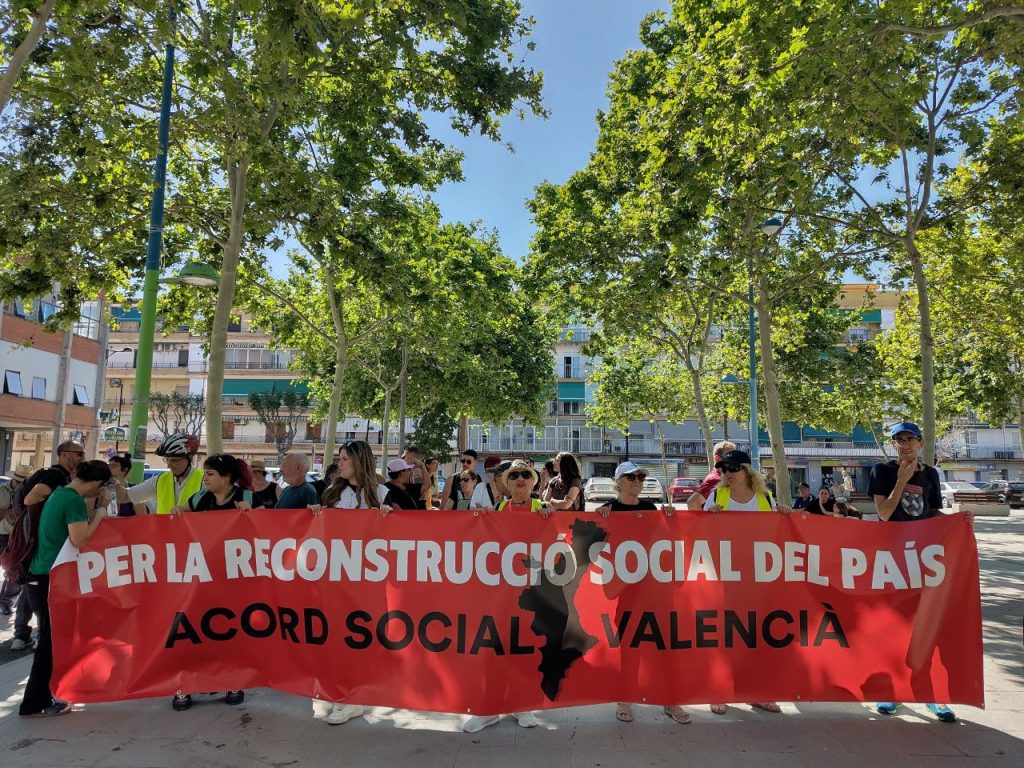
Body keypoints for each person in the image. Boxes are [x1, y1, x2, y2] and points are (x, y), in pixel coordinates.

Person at [869, 421, 960, 723]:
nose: (906, 445)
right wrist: (901, 481)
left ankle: (931, 694)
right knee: (895, 628)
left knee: (926, 629)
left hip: (924, 560)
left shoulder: (931, 474)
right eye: (900, 440)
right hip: (892, 560)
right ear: (893, 444)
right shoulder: (882, 471)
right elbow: (884, 514)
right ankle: (892, 691)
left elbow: (931, 513)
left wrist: (957, 522)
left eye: (911, 439)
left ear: (921, 443)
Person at [597, 462, 691, 726]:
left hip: (657, 591)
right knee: (630, 647)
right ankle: (625, 698)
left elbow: (669, 542)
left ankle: (671, 700)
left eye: (640, 477)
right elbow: (593, 545)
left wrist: (671, 519)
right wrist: (600, 520)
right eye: (631, 477)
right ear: (618, 482)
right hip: (627, 593)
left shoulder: (652, 510)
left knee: (665, 648)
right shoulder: (608, 511)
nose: (637, 481)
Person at [18, 459, 110, 717]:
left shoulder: (59, 494)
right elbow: (80, 539)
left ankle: (38, 699)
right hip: (51, 577)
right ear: (96, 483)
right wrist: (100, 515)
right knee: (49, 643)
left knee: (49, 640)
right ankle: (35, 702)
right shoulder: (73, 501)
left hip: (40, 574)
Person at [703, 449, 788, 716]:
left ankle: (757, 692)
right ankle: (719, 691)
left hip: (758, 577)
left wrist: (785, 515)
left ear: (747, 470)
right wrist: (708, 518)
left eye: (733, 468)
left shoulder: (765, 497)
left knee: (757, 636)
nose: (728, 472)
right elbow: (699, 532)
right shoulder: (717, 495)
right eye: (724, 468)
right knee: (726, 635)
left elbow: (778, 532)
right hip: (726, 576)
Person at [313, 440, 391, 725]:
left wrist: (390, 518)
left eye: (345, 458)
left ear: (359, 461)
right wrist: (314, 515)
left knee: (359, 637)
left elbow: (407, 530)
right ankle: (344, 694)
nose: (340, 463)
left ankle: (352, 696)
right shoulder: (332, 493)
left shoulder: (382, 494)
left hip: (367, 581)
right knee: (337, 636)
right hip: (336, 577)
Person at [462, 459, 544, 733]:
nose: (520, 478)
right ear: (506, 483)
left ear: (532, 482)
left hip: (530, 593)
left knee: (524, 650)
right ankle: (490, 708)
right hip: (499, 593)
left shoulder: (543, 508)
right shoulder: (497, 510)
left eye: (525, 474)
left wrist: (552, 520)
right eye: (514, 475)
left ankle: (523, 706)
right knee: (494, 649)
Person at [168, 453, 252, 711]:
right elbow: (182, 513)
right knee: (193, 630)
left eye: (210, 474)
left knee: (230, 630)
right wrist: (177, 511)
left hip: (233, 580)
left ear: (226, 478)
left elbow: (266, 527)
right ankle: (187, 684)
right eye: (205, 473)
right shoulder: (200, 498)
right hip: (200, 578)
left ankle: (233, 682)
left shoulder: (246, 498)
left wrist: (251, 514)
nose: (205, 478)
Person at [10, 441, 85, 650]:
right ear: (65, 454)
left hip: (37, 540)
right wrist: (46, 517)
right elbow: (30, 499)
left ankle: (23, 634)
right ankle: (30, 635)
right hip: (39, 540)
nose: (82, 457)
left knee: (32, 584)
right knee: (35, 585)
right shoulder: (55, 475)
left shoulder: (59, 476)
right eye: (79, 453)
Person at [116, 433, 203, 515]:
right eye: (167, 460)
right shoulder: (160, 481)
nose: (168, 465)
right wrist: (115, 481)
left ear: (189, 458)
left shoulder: (204, 480)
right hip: (166, 527)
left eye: (174, 460)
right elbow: (124, 497)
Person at [0, 463, 32, 616]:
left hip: (19, 536)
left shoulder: (30, 492)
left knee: (15, 570)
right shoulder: (2, 491)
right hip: (2, 533)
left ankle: (7, 602)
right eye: (18, 481)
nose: (20, 485)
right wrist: (5, 513)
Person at [686, 440, 736, 510]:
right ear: (717, 459)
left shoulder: (722, 476)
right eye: (729, 458)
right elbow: (692, 502)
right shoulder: (715, 480)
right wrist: (705, 517)